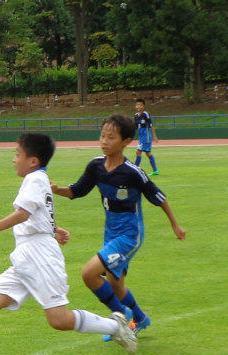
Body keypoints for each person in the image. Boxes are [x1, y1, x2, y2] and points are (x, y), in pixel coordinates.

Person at [0, 133, 138, 355]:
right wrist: (54, 230)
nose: (14, 159)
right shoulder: (37, 180)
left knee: (59, 320)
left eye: (18, 154)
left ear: (33, 160)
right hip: (26, 256)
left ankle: (116, 326)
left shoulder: (35, 179)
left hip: (39, 257)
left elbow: (23, 213)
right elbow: (38, 214)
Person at [51, 114, 187, 338]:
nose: (104, 141)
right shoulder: (96, 166)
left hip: (129, 235)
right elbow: (77, 191)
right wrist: (57, 190)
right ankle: (140, 319)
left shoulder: (133, 173)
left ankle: (122, 316)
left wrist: (175, 225)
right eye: (102, 136)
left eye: (111, 137)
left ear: (126, 141)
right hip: (110, 232)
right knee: (115, 284)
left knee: (89, 274)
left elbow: (159, 197)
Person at [132, 99, 160, 175]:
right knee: (148, 153)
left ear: (143, 106)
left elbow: (151, 125)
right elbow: (135, 127)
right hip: (141, 137)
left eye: (140, 105)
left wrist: (154, 136)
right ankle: (155, 171)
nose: (139, 106)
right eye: (137, 105)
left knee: (138, 151)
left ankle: (135, 170)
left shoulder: (145, 114)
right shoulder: (136, 115)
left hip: (146, 136)